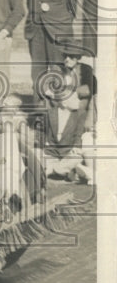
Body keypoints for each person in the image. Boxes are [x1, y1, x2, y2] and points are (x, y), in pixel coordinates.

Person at [24, 0, 78, 102]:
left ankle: (56, 118)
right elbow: (30, 2)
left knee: (57, 71)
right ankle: (38, 115)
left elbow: (72, 7)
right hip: (36, 31)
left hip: (57, 31)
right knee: (37, 72)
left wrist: (61, 24)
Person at [43, 42, 96, 182]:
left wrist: (69, 92)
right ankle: (72, 170)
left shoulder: (85, 69)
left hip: (78, 110)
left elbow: (88, 90)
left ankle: (67, 169)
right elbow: (48, 89)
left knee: (84, 140)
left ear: (78, 58)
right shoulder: (57, 69)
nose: (67, 59)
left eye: (72, 57)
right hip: (61, 107)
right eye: (65, 56)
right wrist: (64, 95)